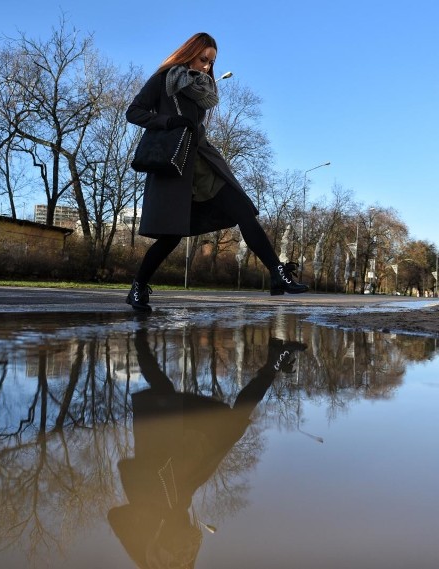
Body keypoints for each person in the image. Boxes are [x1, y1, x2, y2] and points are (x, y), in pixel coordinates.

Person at [125, 32, 307, 310]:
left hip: (203, 163)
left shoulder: (204, 88)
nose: (208, 67)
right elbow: (134, 112)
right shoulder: (163, 79)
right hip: (174, 166)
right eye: (203, 59)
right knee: (170, 235)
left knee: (244, 211)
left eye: (211, 62)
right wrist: (169, 121)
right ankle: (138, 287)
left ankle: (277, 273)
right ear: (189, 53)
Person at [108, 329, 306, 568]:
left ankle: (139, 334)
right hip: (181, 467)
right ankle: (275, 359)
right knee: (228, 421)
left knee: (165, 391)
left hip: (165, 450)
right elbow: (180, 531)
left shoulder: (145, 548)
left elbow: (117, 516)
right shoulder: (165, 540)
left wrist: (152, 539)